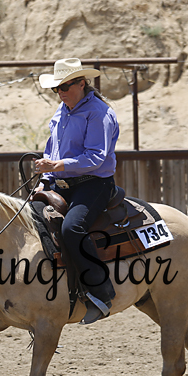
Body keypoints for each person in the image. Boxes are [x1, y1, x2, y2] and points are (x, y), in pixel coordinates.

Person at [34, 58, 119, 325]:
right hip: (61, 183)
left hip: (94, 184)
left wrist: (56, 166)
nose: (60, 92)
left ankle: (101, 294)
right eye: (56, 88)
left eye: (65, 86)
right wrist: (45, 179)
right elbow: (52, 150)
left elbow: (95, 157)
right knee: (29, 218)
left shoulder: (99, 113)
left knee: (72, 228)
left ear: (82, 83)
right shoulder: (61, 111)